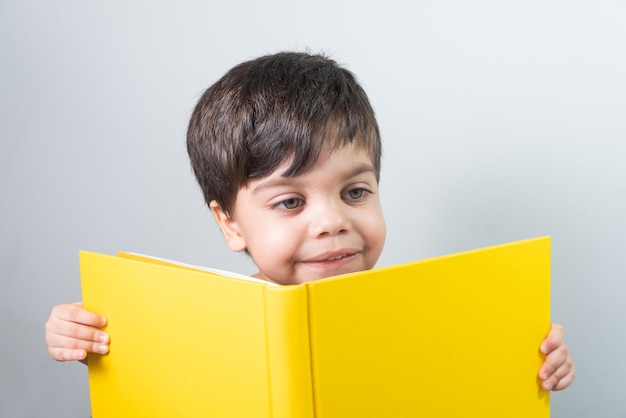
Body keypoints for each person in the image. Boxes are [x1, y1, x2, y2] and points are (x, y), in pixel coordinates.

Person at [45, 51, 575, 391]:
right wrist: (77, 331)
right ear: (230, 224)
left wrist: (534, 363)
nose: (332, 221)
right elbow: (134, 364)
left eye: (355, 191)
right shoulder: (195, 320)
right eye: (290, 203)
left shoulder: (426, 314)